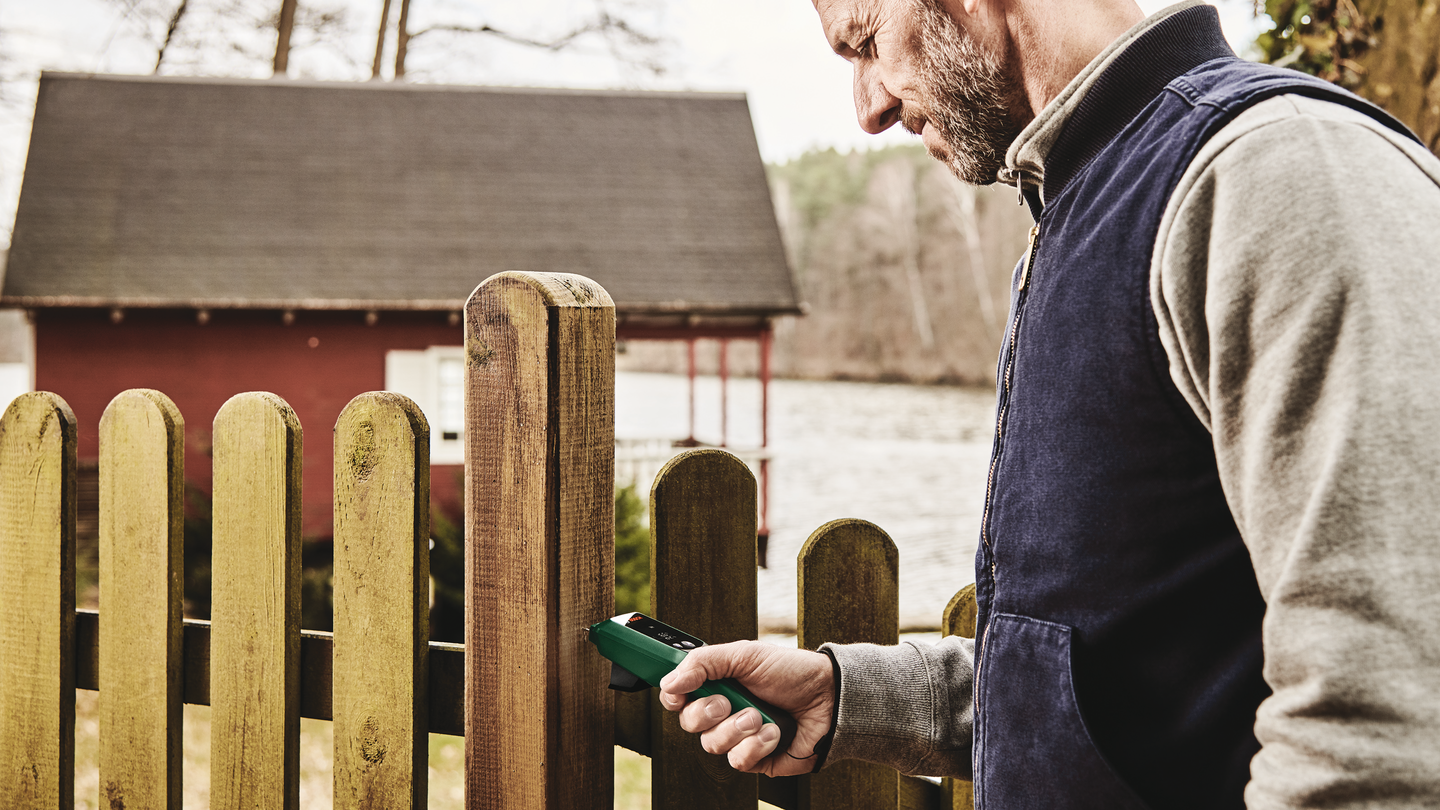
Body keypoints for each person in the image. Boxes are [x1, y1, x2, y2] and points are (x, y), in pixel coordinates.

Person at [657, 0, 1440, 806]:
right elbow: (1126, 675)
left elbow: (1387, 724)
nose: (869, 107)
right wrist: (851, 695)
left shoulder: (1278, 175)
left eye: (866, 44)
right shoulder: (1086, 209)